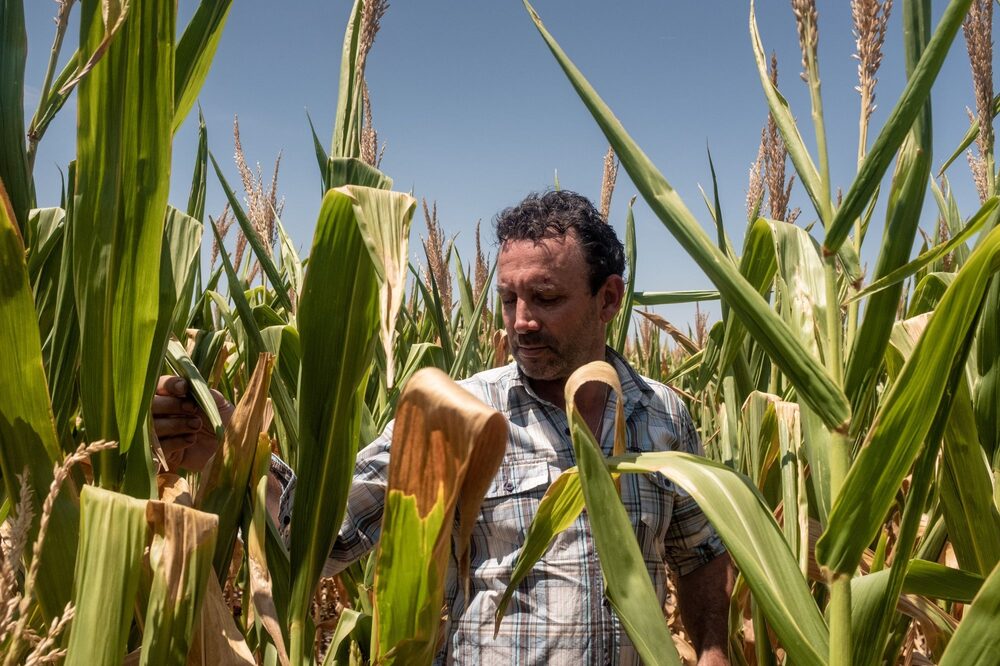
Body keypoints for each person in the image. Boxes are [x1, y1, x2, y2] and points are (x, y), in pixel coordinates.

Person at [153, 190, 734, 665]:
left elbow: (699, 552)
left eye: (546, 297)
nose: (521, 322)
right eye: (508, 298)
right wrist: (233, 441)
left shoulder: (663, 416)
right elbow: (324, 537)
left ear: (608, 299)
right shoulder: (457, 412)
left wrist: (711, 649)